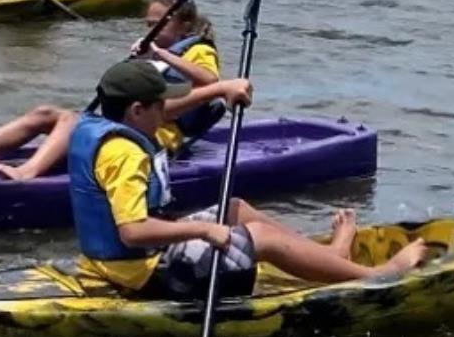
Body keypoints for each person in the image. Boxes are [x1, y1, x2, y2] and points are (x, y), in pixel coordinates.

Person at [68, 58, 425, 299]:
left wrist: (222, 90)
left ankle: (329, 257)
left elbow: (161, 112)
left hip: (124, 262)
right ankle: (376, 277)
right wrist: (203, 230)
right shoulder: (125, 154)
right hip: (145, 277)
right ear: (137, 110)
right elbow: (134, 231)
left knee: (235, 209)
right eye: (160, 106)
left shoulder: (100, 125)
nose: (167, 113)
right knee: (261, 237)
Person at [0, 0, 249, 181]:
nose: (150, 30)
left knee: (69, 121)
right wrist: (137, 63)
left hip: (155, 142)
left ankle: (27, 174)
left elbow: (210, 83)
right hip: (128, 125)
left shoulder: (198, 50)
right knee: (47, 113)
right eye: (146, 24)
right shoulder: (159, 54)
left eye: (157, 25)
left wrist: (158, 54)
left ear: (184, 25)